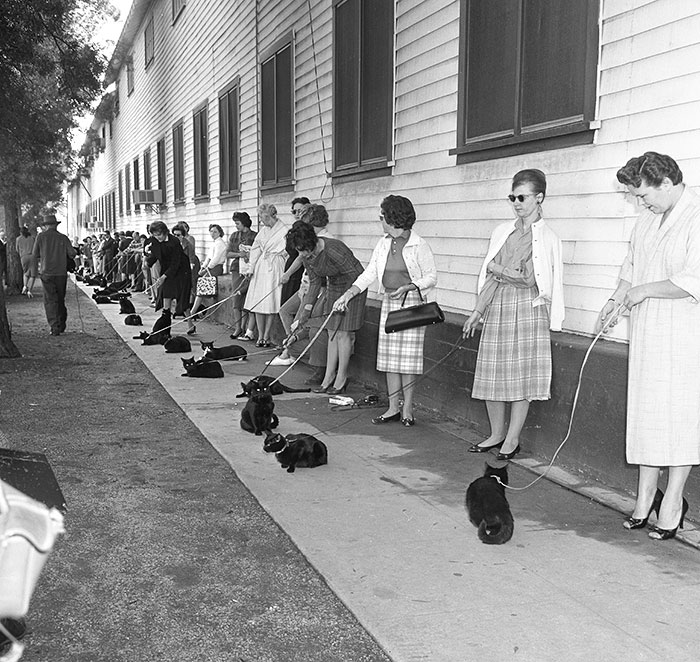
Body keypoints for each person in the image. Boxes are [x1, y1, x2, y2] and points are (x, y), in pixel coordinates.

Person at [597, 152, 700, 541]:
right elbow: (630, 270)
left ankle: (672, 503)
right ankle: (644, 500)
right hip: (648, 333)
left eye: (643, 195)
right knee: (647, 415)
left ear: (668, 184)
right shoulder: (646, 220)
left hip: (684, 334)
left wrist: (643, 291)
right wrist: (614, 301)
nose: (640, 203)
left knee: (677, 418)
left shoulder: (697, 215)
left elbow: (693, 279)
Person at [463, 169, 564, 460]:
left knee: (521, 378)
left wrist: (498, 269)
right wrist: (477, 311)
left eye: (523, 197)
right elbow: (493, 275)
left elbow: (528, 279)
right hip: (499, 306)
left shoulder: (547, 237)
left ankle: (513, 438)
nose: (517, 203)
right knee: (491, 373)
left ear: (539, 197)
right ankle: (495, 434)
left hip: (528, 309)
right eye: (513, 197)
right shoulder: (502, 232)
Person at [334, 195, 437, 426]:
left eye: (382, 216)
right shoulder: (383, 243)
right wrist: (349, 293)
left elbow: (431, 277)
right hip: (390, 303)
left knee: (408, 361)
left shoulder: (419, 245)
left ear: (393, 218)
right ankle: (392, 408)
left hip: (412, 305)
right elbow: (370, 272)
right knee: (390, 359)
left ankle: (407, 409)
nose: (380, 221)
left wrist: (410, 286)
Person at [287, 220, 366, 393]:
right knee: (332, 332)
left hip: (353, 287)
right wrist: (305, 313)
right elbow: (315, 283)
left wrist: (347, 296)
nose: (301, 254)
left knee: (343, 333)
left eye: (302, 249)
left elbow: (356, 275)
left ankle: (341, 377)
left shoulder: (333, 250)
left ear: (311, 243)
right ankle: (328, 376)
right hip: (334, 286)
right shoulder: (308, 256)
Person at [272, 204, 331, 380]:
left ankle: (304, 357)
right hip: (306, 285)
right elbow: (304, 262)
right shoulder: (312, 238)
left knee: (302, 323)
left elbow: (318, 270)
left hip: (319, 290)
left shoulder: (324, 240)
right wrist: (294, 279)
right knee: (285, 311)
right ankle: (292, 350)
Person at [244, 203, 288, 347]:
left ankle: (266, 336)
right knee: (258, 301)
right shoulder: (263, 231)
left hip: (275, 266)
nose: (262, 221)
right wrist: (251, 268)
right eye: (261, 218)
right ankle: (260, 335)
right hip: (261, 267)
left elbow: (288, 251)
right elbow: (255, 249)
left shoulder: (284, 230)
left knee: (270, 301)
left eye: (264, 218)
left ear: (272, 216)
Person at [145, 220, 195, 334]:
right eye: (155, 235)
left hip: (181, 271)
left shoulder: (174, 242)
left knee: (182, 300)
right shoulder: (155, 240)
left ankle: (190, 324)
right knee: (166, 295)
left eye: (159, 235)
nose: (158, 238)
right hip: (167, 270)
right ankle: (165, 329)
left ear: (165, 232)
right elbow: (156, 254)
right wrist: (148, 262)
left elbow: (175, 263)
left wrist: (163, 277)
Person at [32, 213, 77, 336]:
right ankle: (61, 324)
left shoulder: (40, 237)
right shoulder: (63, 238)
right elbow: (72, 253)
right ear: (55, 225)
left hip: (46, 272)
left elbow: (35, 254)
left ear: (46, 226)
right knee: (60, 299)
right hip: (61, 273)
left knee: (50, 300)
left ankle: (54, 326)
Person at [226, 211, 258, 338]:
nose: (236, 226)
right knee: (236, 297)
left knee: (247, 299)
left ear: (244, 223)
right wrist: (240, 254)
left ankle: (245, 328)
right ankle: (238, 327)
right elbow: (227, 253)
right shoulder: (234, 236)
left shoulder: (255, 236)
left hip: (251, 270)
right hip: (237, 269)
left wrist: (249, 255)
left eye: (238, 223)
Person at [190, 224, 228, 319]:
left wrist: (207, 269)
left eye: (215, 231)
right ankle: (197, 311)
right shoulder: (214, 243)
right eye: (211, 231)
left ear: (220, 233)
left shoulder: (221, 244)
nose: (213, 233)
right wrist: (203, 267)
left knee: (202, 288)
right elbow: (208, 257)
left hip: (215, 268)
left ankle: (192, 312)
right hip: (209, 267)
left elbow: (215, 259)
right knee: (198, 285)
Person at [172, 222, 200, 305]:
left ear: (182, 235)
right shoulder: (172, 244)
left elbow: (191, 257)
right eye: (174, 235)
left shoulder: (188, 244)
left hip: (189, 265)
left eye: (178, 235)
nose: (176, 237)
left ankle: (190, 304)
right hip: (179, 267)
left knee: (191, 284)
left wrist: (190, 267)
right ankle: (180, 305)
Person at [16, 226, 37, 297]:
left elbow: (17, 249)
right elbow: (35, 248)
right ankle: (29, 291)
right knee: (33, 275)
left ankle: (25, 286)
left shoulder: (18, 239)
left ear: (20, 232)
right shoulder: (32, 238)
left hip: (23, 257)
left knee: (25, 273)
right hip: (32, 256)